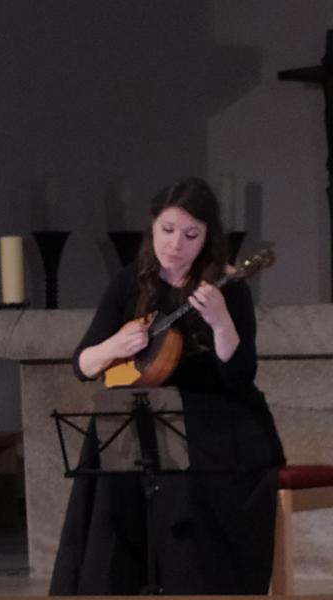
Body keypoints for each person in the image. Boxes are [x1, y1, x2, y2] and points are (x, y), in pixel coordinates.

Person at [49, 177, 285, 595]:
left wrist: (220, 321)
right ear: (152, 227)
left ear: (208, 237)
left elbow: (240, 373)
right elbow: (82, 365)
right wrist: (113, 346)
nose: (176, 245)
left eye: (191, 235)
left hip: (217, 423)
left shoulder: (226, 287)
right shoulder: (128, 283)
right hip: (143, 418)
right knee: (112, 465)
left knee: (185, 482)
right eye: (168, 230)